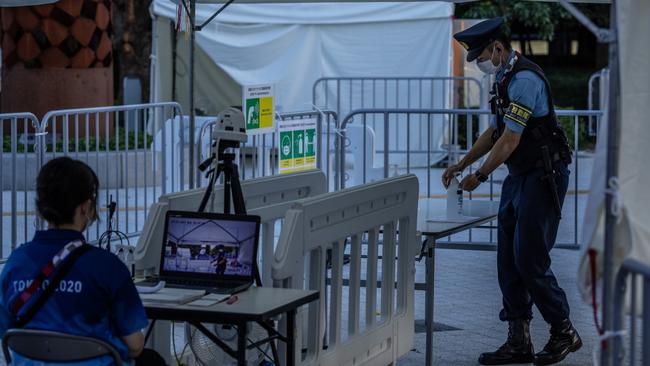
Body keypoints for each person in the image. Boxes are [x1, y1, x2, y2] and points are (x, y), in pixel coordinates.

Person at [443, 17, 581, 366]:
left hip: (542, 176)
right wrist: (462, 163)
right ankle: (518, 339)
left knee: (530, 259)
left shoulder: (525, 80)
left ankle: (563, 329)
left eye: (482, 58)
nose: (481, 65)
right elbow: (494, 132)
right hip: (520, 177)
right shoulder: (504, 78)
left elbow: (511, 138)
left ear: (498, 48)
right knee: (508, 260)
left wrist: (480, 175)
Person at [0, 157, 165, 366]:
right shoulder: (107, 267)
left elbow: (5, 329)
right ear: (86, 207)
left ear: (42, 207)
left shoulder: (16, 263)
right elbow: (134, 345)